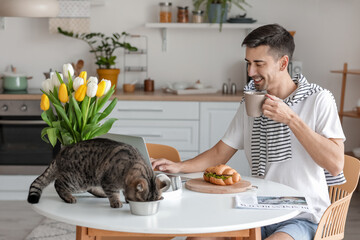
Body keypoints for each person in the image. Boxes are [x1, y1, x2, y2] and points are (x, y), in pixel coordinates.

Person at [152, 24, 345, 240]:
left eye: (258, 64)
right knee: (197, 238)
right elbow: (219, 153)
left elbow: (336, 164)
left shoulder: (318, 99)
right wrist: (179, 166)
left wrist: (290, 118)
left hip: (302, 215)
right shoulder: (252, 101)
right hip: (256, 210)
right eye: (248, 63)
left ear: (283, 63)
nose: (250, 72)